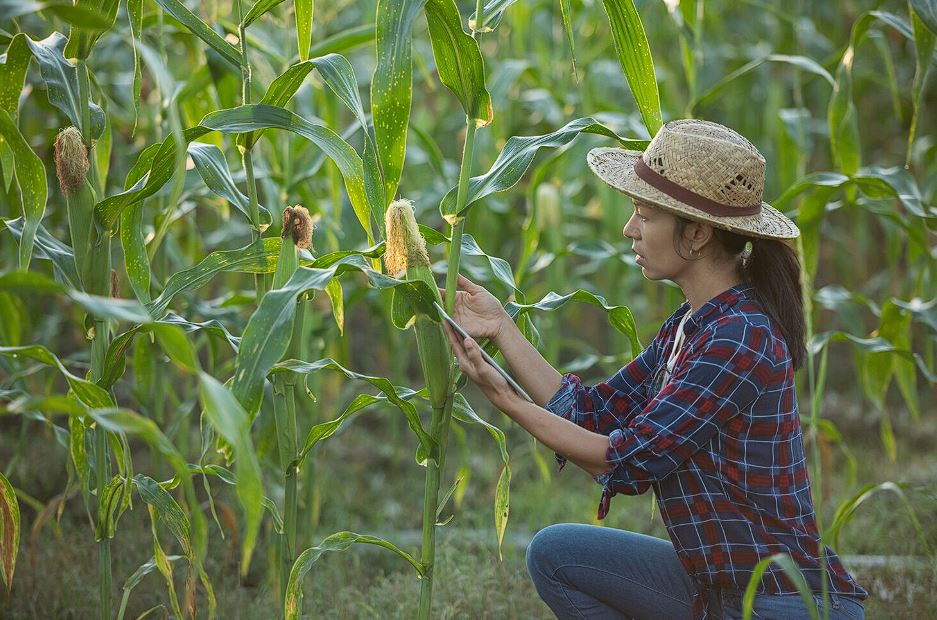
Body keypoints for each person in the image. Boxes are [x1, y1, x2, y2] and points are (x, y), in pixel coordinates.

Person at [442, 119, 867, 620]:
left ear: (698, 234)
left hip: (784, 603)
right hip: (716, 595)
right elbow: (595, 414)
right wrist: (501, 328)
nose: (629, 229)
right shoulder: (691, 325)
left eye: (644, 215)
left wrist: (504, 398)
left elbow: (624, 460)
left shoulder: (739, 337)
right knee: (556, 555)